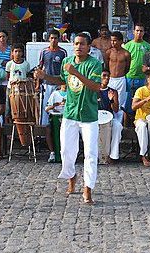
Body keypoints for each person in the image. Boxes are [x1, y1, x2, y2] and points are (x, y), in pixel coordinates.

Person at [34, 33, 103, 204]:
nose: (78, 47)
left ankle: (88, 188)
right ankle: (71, 175)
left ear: (88, 47)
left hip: (88, 115)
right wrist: (45, 77)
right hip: (70, 113)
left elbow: (95, 87)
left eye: (82, 44)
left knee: (91, 153)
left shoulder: (94, 64)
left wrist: (76, 73)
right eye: (76, 44)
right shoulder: (67, 62)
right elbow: (61, 80)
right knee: (66, 150)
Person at [38, 30, 68, 133]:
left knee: (59, 106)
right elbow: (40, 67)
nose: (53, 40)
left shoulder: (63, 52)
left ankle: (58, 129)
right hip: (46, 84)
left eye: (55, 38)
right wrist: (38, 83)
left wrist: (63, 85)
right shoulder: (44, 52)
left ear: (59, 39)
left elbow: (65, 69)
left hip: (58, 85)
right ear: (48, 39)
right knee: (45, 107)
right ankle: (43, 132)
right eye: (51, 38)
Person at [123, 25, 150, 114]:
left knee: (141, 99)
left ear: (143, 32)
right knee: (127, 101)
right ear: (133, 31)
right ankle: (127, 124)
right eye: (137, 30)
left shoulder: (148, 46)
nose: (139, 33)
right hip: (129, 76)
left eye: (141, 31)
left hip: (143, 78)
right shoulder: (127, 46)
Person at [98, 69, 123, 163]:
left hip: (109, 117)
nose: (107, 78)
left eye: (108, 76)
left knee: (118, 126)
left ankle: (113, 155)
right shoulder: (94, 90)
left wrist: (111, 100)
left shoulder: (113, 91)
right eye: (104, 75)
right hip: (96, 118)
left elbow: (116, 109)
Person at [106, 31, 131, 120]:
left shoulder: (126, 54)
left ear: (121, 41)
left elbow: (127, 68)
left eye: (115, 40)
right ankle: (109, 121)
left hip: (121, 79)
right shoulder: (109, 52)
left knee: (120, 103)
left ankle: (118, 124)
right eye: (112, 40)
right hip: (110, 80)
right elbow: (106, 66)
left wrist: (121, 75)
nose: (113, 43)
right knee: (109, 100)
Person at [45, 83, 66, 163]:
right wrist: (54, 106)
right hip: (55, 116)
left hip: (66, 117)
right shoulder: (54, 94)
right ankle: (53, 152)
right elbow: (47, 109)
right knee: (48, 130)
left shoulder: (71, 94)